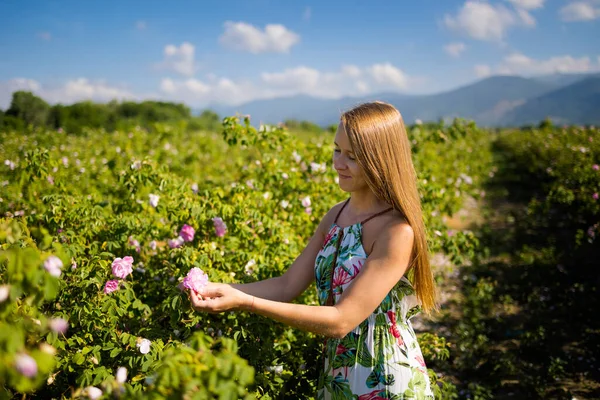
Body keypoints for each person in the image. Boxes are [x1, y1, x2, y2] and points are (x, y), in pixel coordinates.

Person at [190, 101, 437, 399]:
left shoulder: (396, 231)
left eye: (353, 157)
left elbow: (341, 320)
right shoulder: (335, 215)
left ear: (380, 160)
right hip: (339, 373)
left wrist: (246, 302)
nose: (338, 163)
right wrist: (220, 289)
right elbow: (286, 285)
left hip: (384, 377)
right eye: (337, 150)